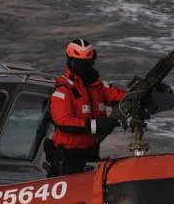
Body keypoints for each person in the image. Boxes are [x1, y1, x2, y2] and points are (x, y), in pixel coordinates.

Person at [46, 38, 126, 176]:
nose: (85, 67)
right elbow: (64, 122)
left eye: (88, 62)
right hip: (67, 158)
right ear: (70, 61)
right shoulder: (63, 90)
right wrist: (96, 126)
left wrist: (144, 92)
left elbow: (122, 97)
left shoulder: (98, 87)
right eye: (80, 63)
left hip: (91, 153)